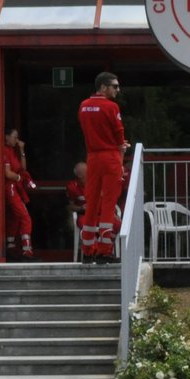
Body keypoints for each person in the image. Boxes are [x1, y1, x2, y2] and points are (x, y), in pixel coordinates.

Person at [78, 72, 127, 263]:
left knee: (92, 203)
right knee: (108, 203)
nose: (117, 90)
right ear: (104, 87)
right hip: (110, 156)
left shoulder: (83, 106)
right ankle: (104, 250)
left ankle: (87, 250)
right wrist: (121, 146)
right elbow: (118, 132)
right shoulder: (111, 106)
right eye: (114, 86)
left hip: (92, 157)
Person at [1, 125, 35, 259]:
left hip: (15, 188)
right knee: (25, 216)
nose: (17, 140)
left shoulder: (12, 150)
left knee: (13, 218)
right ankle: (27, 249)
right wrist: (19, 178)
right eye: (15, 137)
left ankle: (11, 248)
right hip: (9, 188)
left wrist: (21, 149)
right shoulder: (4, 151)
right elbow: (8, 174)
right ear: (6, 137)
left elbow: (23, 169)